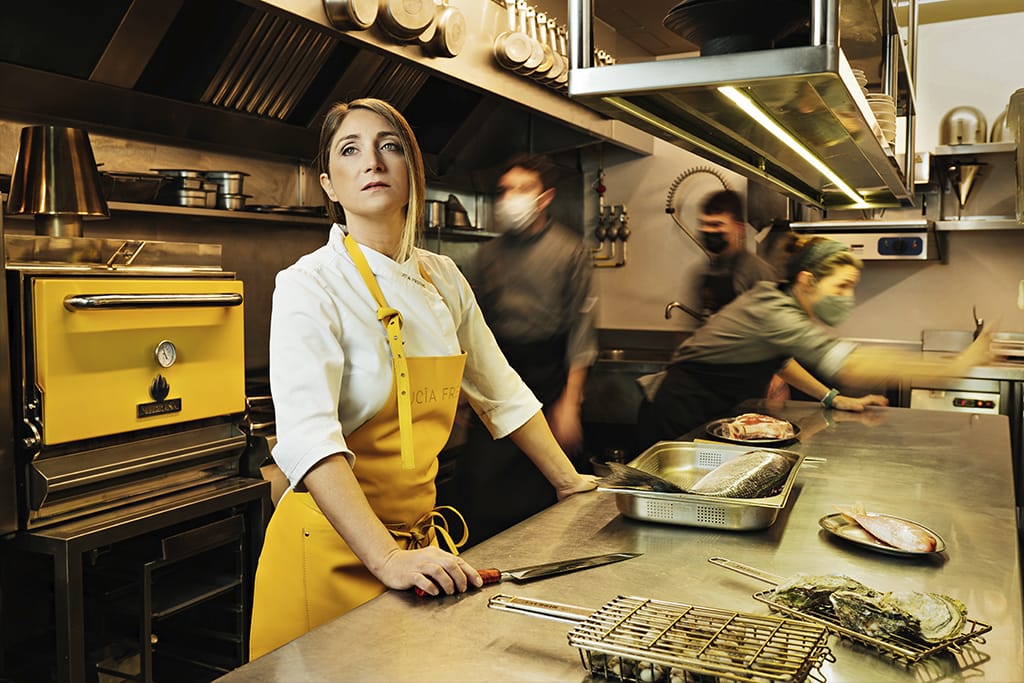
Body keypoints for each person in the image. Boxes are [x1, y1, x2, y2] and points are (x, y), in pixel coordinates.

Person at [249, 99, 595, 659]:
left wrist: (568, 481)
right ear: (329, 185)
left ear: (412, 170)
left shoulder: (444, 277)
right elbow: (309, 441)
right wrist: (385, 557)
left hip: (418, 551)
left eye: (389, 146)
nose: (372, 161)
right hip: (333, 552)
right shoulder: (309, 284)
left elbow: (501, 390)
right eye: (350, 150)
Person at [635, 235, 994, 452]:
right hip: (678, 416)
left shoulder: (781, 303)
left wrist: (832, 398)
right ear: (807, 281)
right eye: (841, 286)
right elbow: (853, 365)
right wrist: (954, 366)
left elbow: (780, 361)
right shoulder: (775, 310)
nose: (847, 297)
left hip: (706, 414)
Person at [453, 153, 597, 546]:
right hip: (498, 378)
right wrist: (465, 392)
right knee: (481, 492)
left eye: (523, 189)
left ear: (545, 198)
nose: (511, 197)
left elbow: (581, 332)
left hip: (548, 380)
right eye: (506, 190)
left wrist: (570, 402)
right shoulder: (487, 255)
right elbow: (472, 329)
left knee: (545, 496)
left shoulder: (570, 251)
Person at [695, 189, 777, 317]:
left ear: (739, 228)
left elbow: (772, 322)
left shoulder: (759, 273)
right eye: (704, 224)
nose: (708, 230)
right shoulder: (703, 271)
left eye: (716, 225)